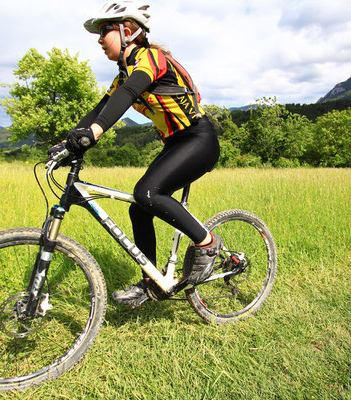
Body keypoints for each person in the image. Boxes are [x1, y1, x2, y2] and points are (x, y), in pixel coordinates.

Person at [48, 1, 221, 308]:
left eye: (104, 32)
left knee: (147, 193)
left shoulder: (152, 58)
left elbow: (127, 95)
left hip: (198, 138)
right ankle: (152, 282)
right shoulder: (123, 74)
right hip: (175, 143)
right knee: (139, 207)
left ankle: (206, 243)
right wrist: (67, 142)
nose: (99, 40)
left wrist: (96, 132)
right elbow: (101, 107)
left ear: (127, 31)